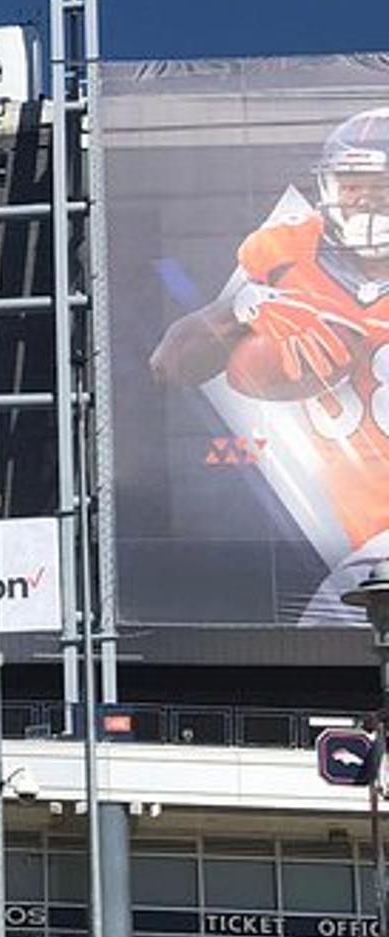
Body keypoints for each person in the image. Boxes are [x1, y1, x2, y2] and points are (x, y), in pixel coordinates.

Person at [150, 107, 389, 618]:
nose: (367, 197)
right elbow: (170, 362)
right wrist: (246, 312)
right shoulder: (289, 253)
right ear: (329, 187)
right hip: (364, 550)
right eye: (353, 183)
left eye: (383, 182)